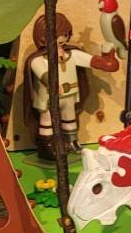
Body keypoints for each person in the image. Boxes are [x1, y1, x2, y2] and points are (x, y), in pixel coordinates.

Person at [24, 12, 119, 160]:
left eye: (65, 33)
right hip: (48, 98)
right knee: (47, 120)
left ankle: (71, 142)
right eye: (58, 35)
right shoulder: (38, 59)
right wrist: (53, 85)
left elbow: (92, 61)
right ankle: (46, 147)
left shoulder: (72, 54)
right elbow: (43, 74)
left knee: (69, 118)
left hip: (69, 94)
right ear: (43, 36)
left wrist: (107, 59)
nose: (62, 37)